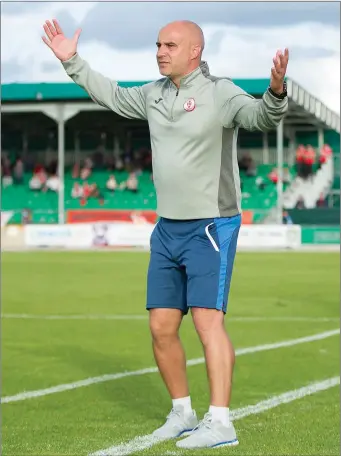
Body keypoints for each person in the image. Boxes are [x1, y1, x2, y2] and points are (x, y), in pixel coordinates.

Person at [42, 18, 289, 449]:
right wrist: (72, 62)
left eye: (169, 45)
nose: (160, 51)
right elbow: (113, 95)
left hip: (212, 225)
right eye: (158, 44)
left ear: (194, 50)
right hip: (167, 228)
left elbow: (261, 116)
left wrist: (277, 91)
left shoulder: (220, 93)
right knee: (160, 327)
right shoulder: (153, 94)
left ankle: (221, 422)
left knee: (208, 324)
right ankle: (183, 412)